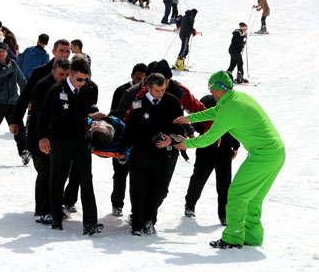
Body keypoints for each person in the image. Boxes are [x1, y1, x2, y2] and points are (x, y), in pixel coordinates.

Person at [174, 70, 285, 249]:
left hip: (262, 155)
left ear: (218, 89)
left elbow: (209, 138)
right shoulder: (237, 98)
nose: (210, 92)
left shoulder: (230, 108)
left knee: (237, 194)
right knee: (253, 198)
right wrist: (190, 118)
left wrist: (187, 144)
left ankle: (233, 237)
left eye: (211, 89)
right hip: (276, 153)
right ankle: (253, 236)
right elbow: (215, 111)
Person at [37, 58, 103, 235]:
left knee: (86, 180)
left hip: (80, 142)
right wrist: (43, 137)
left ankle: (90, 223)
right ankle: (56, 218)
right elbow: (42, 116)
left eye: (85, 79)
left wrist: (94, 117)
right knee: (58, 179)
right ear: (71, 75)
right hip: (60, 141)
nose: (83, 83)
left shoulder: (86, 90)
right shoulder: (56, 90)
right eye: (80, 79)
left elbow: (83, 114)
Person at [117, 73, 184, 236]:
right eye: (156, 91)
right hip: (140, 154)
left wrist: (171, 139)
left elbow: (179, 127)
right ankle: (138, 223)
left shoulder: (172, 102)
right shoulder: (139, 104)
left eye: (162, 90)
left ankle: (150, 219)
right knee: (138, 190)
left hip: (162, 155)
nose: (160, 94)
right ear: (148, 88)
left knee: (159, 190)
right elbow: (130, 128)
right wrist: (122, 149)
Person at [10, 58, 71, 224]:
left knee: (57, 173)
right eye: (61, 74)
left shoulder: (67, 87)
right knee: (45, 171)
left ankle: (54, 207)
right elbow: (41, 115)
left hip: (57, 139)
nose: (64, 77)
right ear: (53, 72)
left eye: (67, 74)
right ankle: (41, 210)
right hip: (39, 137)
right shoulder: (42, 86)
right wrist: (15, 120)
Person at [184, 94, 240, 226]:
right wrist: (205, 129)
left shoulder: (231, 105)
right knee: (199, 178)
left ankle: (224, 214)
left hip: (225, 149)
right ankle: (190, 205)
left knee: (224, 183)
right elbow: (196, 120)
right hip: (206, 148)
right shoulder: (206, 101)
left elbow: (235, 127)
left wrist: (235, 145)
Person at [108, 63, 146, 216]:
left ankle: (136, 209)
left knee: (138, 177)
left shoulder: (148, 93)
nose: (140, 81)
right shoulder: (122, 91)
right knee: (120, 174)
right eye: (138, 78)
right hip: (123, 138)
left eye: (143, 79)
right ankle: (117, 203)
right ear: (132, 75)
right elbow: (115, 114)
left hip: (139, 142)